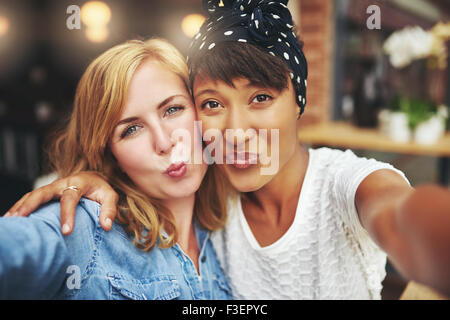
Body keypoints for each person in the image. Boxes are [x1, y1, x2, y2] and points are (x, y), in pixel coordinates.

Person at [7, 0, 450, 299]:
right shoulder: (187, 197)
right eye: (213, 104)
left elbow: (399, 213)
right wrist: (92, 179)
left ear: (299, 100)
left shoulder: (339, 186)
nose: (236, 132)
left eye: (260, 98)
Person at [0, 38, 232, 299]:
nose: (165, 143)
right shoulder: (85, 227)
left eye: (173, 109)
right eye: (131, 129)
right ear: (110, 154)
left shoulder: (226, 233)